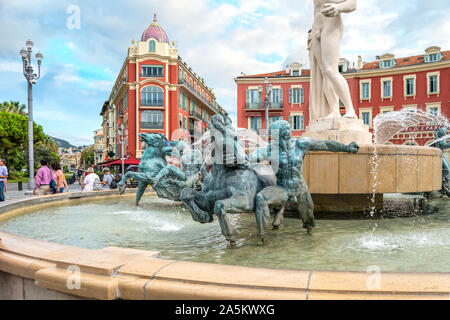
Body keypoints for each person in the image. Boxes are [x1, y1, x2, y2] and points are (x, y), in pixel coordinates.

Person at [250, 120, 359, 239]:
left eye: (280, 133)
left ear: (286, 134)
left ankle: (309, 236)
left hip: (300, 186)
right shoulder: (270, 150)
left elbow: (326, 144)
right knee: (261, 198)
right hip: (282, 188)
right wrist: (242, 159)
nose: (275, 138)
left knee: (309, 219)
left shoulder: (300, 144)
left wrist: (346, 148)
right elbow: (254, 156)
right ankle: (262, 235)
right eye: (274, 135)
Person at [308, 0, 357, 120]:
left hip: (331, 22)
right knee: (325, 72)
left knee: (330, 70)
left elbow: (353, 4)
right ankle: (334, 111)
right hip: (316, 26)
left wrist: (338, 7)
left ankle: (350, 109)